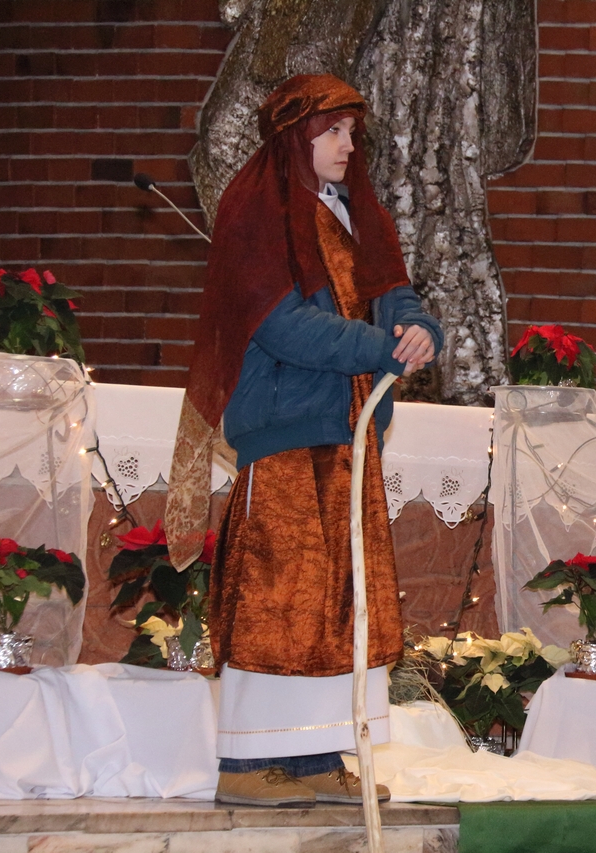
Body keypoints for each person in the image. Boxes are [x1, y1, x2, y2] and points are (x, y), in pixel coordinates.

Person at [165, 75, 442, 808]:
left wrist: (419, 329)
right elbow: (281, 326)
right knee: (277, 596)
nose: (349, 145)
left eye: (352, 132)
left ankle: (318, 755)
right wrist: (382, 347)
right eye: (333, 132)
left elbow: (396, 294)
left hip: (352, 432)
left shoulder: (357, 213)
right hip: (287, 434)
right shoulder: (256, 213)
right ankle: (245, 762)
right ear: (296, 137)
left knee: (337, 602)